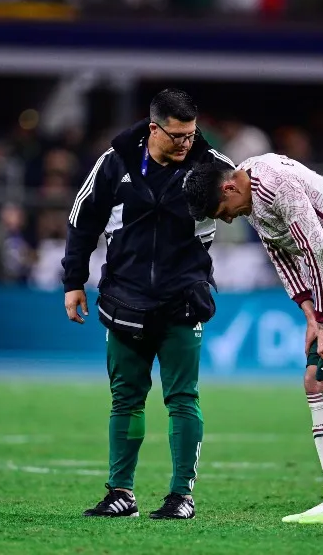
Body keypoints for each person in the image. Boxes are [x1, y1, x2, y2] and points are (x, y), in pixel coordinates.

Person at [183, 153, 323, 525]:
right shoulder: (251, 196)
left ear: (229, 188)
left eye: (222, 211)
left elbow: (318, 249)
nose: (227, 219)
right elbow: (281, 255)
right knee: (314, 381)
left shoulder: (275, 184)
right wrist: (311, 314)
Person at [61, 89, 235, 519]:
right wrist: (73, 281)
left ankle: (182, 496)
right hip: (124, 300)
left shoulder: (213, 167)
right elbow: (82, 221)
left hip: (184, 301)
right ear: (154, 129)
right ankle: (121, 493)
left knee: (183, 398)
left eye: (191, 135)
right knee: (125, 399)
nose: (186, 144)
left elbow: (250, 201)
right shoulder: (113, 162)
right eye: (176, 136)